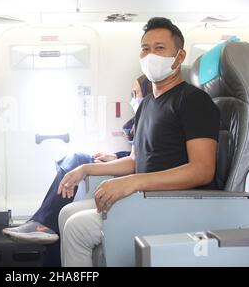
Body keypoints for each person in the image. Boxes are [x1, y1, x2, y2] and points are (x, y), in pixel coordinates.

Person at [58, 17, 220, 266]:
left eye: (160, 48)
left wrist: (132, 184)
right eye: (145, 48)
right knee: (67, 212)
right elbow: (135, 161)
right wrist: (85, 169)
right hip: (148, 198)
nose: (150, 55)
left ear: (179, 56)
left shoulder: (193, 101)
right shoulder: (145, 105)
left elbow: (202, 170)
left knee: (77, 228)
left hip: (174, 204)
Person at [2, 75, 152, 266]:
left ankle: (42, 222)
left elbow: (147, 158)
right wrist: (115, 155)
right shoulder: (143, 117)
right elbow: (139, 154)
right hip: (122, 161)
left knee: (77, 158)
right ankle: (43, 222)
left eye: (135, 93)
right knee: (74, 166)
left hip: (134, 178)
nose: (132, 98)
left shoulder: (155, 115)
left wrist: (114, 158)